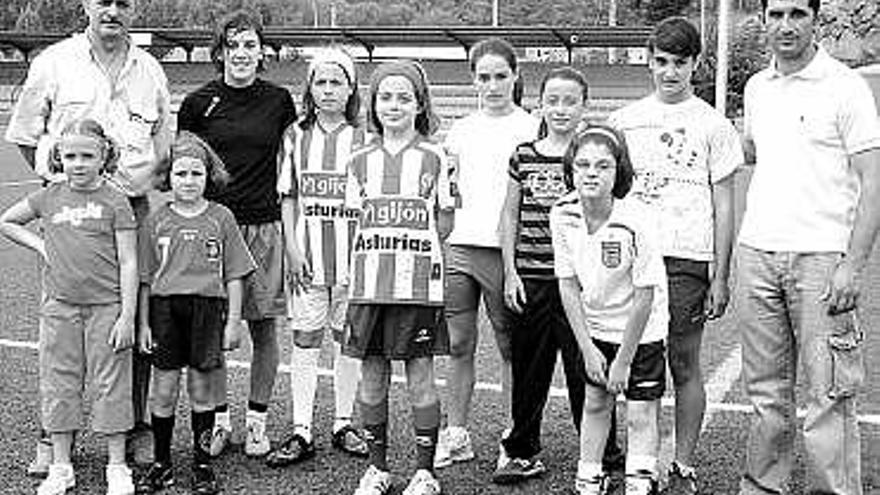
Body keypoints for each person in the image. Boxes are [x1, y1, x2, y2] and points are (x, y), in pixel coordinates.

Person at [4, 0, 172, 474]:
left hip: (132, 207)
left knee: (131, 315)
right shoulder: (53, 63)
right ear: (86, 5)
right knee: (61, 328)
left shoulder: (151, 70)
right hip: (69, 213)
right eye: (103, 1)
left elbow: (162, 142)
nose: (113, 10)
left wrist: (133, 187)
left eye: (123, 2)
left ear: (134, 8)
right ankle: (51, 437)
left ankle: (134, 427)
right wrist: (61, 184)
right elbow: (25, 134)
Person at [736, 0, 880, 493]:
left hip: (822, 259)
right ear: (762, 20)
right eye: (775, 14)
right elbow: (757, 154)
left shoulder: (845, 87)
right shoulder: (757, 88)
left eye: (797, 13)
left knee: (829, 394)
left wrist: (851, 267)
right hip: (757, 252)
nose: (785, 25)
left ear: (815, 19)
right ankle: (763, 486)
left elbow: (873, 180)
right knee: (765, 395)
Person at [607, 17, 742, 494]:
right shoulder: (622, 121)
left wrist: (721, 274)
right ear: (648, 60)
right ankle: (623, 456)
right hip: (632, 260)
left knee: (683, 364)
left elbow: (725, 203)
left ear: (696, 64)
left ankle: (683, 463)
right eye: (661, 62)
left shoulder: (714, 124)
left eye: (679, 63)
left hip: (687, 260)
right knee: (629, 359)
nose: (669, 72)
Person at [176, 9, 298, 458]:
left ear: (261, 51)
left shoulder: (279, 100)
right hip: (211, 229)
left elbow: (291, 167)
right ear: (220, 52)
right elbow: (183, 167)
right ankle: (221, 420)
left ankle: (259, 420)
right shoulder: (197, 103)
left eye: (250, 45)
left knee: (264, 330)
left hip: (264, 228)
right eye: (233, 45)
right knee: (211, 332)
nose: (242, 53)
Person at [495, 67, 623, 485]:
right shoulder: (523, 154)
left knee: (586, 366)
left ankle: (602, 450)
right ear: (540, 103)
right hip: (531, 279)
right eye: (553, 100)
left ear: (585, 105)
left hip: (581, 286)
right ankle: (522, 450)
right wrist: (510, 272)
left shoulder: (591, 158)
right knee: (529, 370)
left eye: (570, 101)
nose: (561, 109)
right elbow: (510, 214)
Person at [0, 119, 139, 495]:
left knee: (111, 385)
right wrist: (42, 246)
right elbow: (8, 222)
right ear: (59, 157)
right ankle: (61, 466)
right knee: (60, 382)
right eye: (70, 156)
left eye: (87, 156)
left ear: (103, 156)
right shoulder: (50, 197)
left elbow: (129, 261)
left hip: (107, 308)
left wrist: (128, 314)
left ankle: (117, 464)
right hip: (60, 308)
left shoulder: (115, 200)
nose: (78, 163)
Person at [344, 60, 455, 495]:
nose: (394, 105)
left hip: (417, 289)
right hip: (369, 287)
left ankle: (425, 472)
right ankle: (378, 468)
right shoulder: (358, 161)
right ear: (373, 104)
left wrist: (417, 254)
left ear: (420, 103)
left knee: (421, 375)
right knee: (372, 376)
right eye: (385, 96)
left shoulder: (436, 156)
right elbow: (356, 223)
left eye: (404, 97)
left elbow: (444, 221)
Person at [435, 37, 540, 470]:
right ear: (473, 80)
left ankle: (513, 437)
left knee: (510, 346)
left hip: (507, 253)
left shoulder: (533, 128)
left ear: (515, 76)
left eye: (500, 76)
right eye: (484, 77)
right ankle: (456, 433)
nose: (493, 85)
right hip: (461, 246)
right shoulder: (461, 129)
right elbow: (447, 195)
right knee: (458, 343)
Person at [134, 132, 255, 495]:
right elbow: (144, 279)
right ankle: (162, 463)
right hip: (165, 311)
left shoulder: (222, 217)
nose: (188, 181)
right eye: (181, 174)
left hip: (207, 310)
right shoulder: (156, 220)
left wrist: (233, 323)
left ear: (209, 176)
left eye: (196, 174)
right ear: (168, 177)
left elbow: (234, 275)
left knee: (202, 389)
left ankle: (202, 466)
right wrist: (143, 323)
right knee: (164, 391)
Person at [552, 125, 669, 495]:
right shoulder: (562, 213)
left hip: (642, 327)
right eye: (583, 164)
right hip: (596, 326)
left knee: (639, 410)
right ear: (571, 169)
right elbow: (567, 285)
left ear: (619, 172)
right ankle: (589, 475)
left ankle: (640, 478)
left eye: (603, 166)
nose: (591, 173)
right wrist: (586, 348)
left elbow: (645, 295)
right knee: (596, 401)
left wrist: (623, 361)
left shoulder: (638, 218)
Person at [266, 47, 368, 467]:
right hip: (307, 259)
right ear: (310, 88)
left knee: (348, 341)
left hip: (354, 260)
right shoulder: (295, 135)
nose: (328, 90)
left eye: (336, 82)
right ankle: (302, 429)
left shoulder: (365, 137)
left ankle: (343, 423)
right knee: (306, 339)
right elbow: (288, 197)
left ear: (350, 88)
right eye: (320, 82)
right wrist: (292, 247)